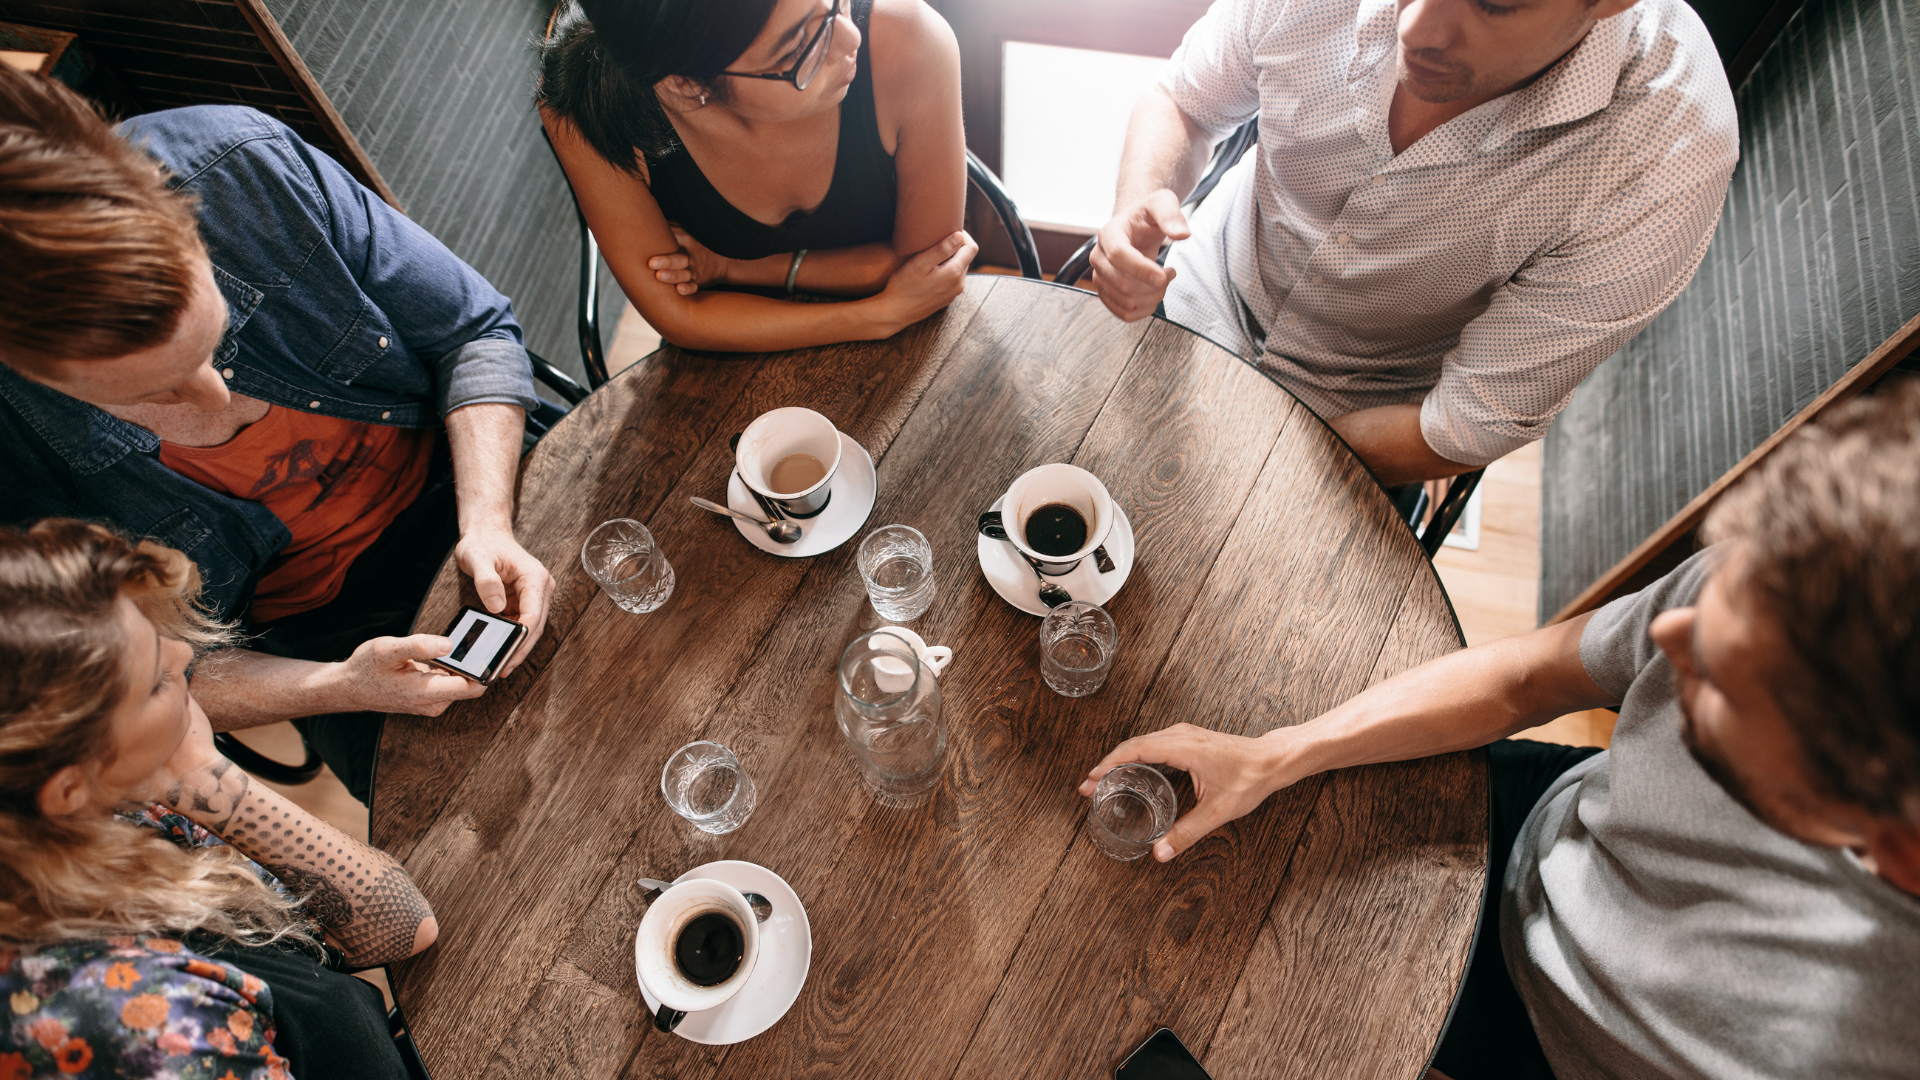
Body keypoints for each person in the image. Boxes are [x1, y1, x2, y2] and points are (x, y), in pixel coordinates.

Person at [1079, 380, 1920, 1078]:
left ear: (1893, 845)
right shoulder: (1798, 581)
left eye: (1720, 677)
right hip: (1547, 831)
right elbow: (1527, 678)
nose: (1669, 641)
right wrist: (1278, 754)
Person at [0, 66, 556, 805]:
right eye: (152, 391)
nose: (216, 395)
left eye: (214, 339)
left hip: (476, 474)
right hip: (327, 629)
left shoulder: (240, 166)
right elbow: (131, 682)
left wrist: (486, 519)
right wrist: (343, 685)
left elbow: (473, 333)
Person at [1089, 0, 1740, 485]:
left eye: (1494, 3)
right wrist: (1136, 203)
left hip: (1360, 420)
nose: (1416, 30)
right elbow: (1185, 100)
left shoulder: (1669, 150)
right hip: (1199, 289)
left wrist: (1259, 454)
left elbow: (1466, 421)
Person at [0, 519, 436, 1079]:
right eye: (156, 681)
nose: (184, 656)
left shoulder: (123, 800)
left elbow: (401, 926)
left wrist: (201, 771)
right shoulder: (147, 1024)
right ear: (65, 786)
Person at [538, 0, 980, 353]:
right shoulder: (586, 105)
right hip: (730, 366)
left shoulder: (910, 40)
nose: (850, 37)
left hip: (913, 339)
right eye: (797, 51)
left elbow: (927, 268)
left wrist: (733, 268)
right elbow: (680, 317)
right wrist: (876, 315)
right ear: (687, 84)